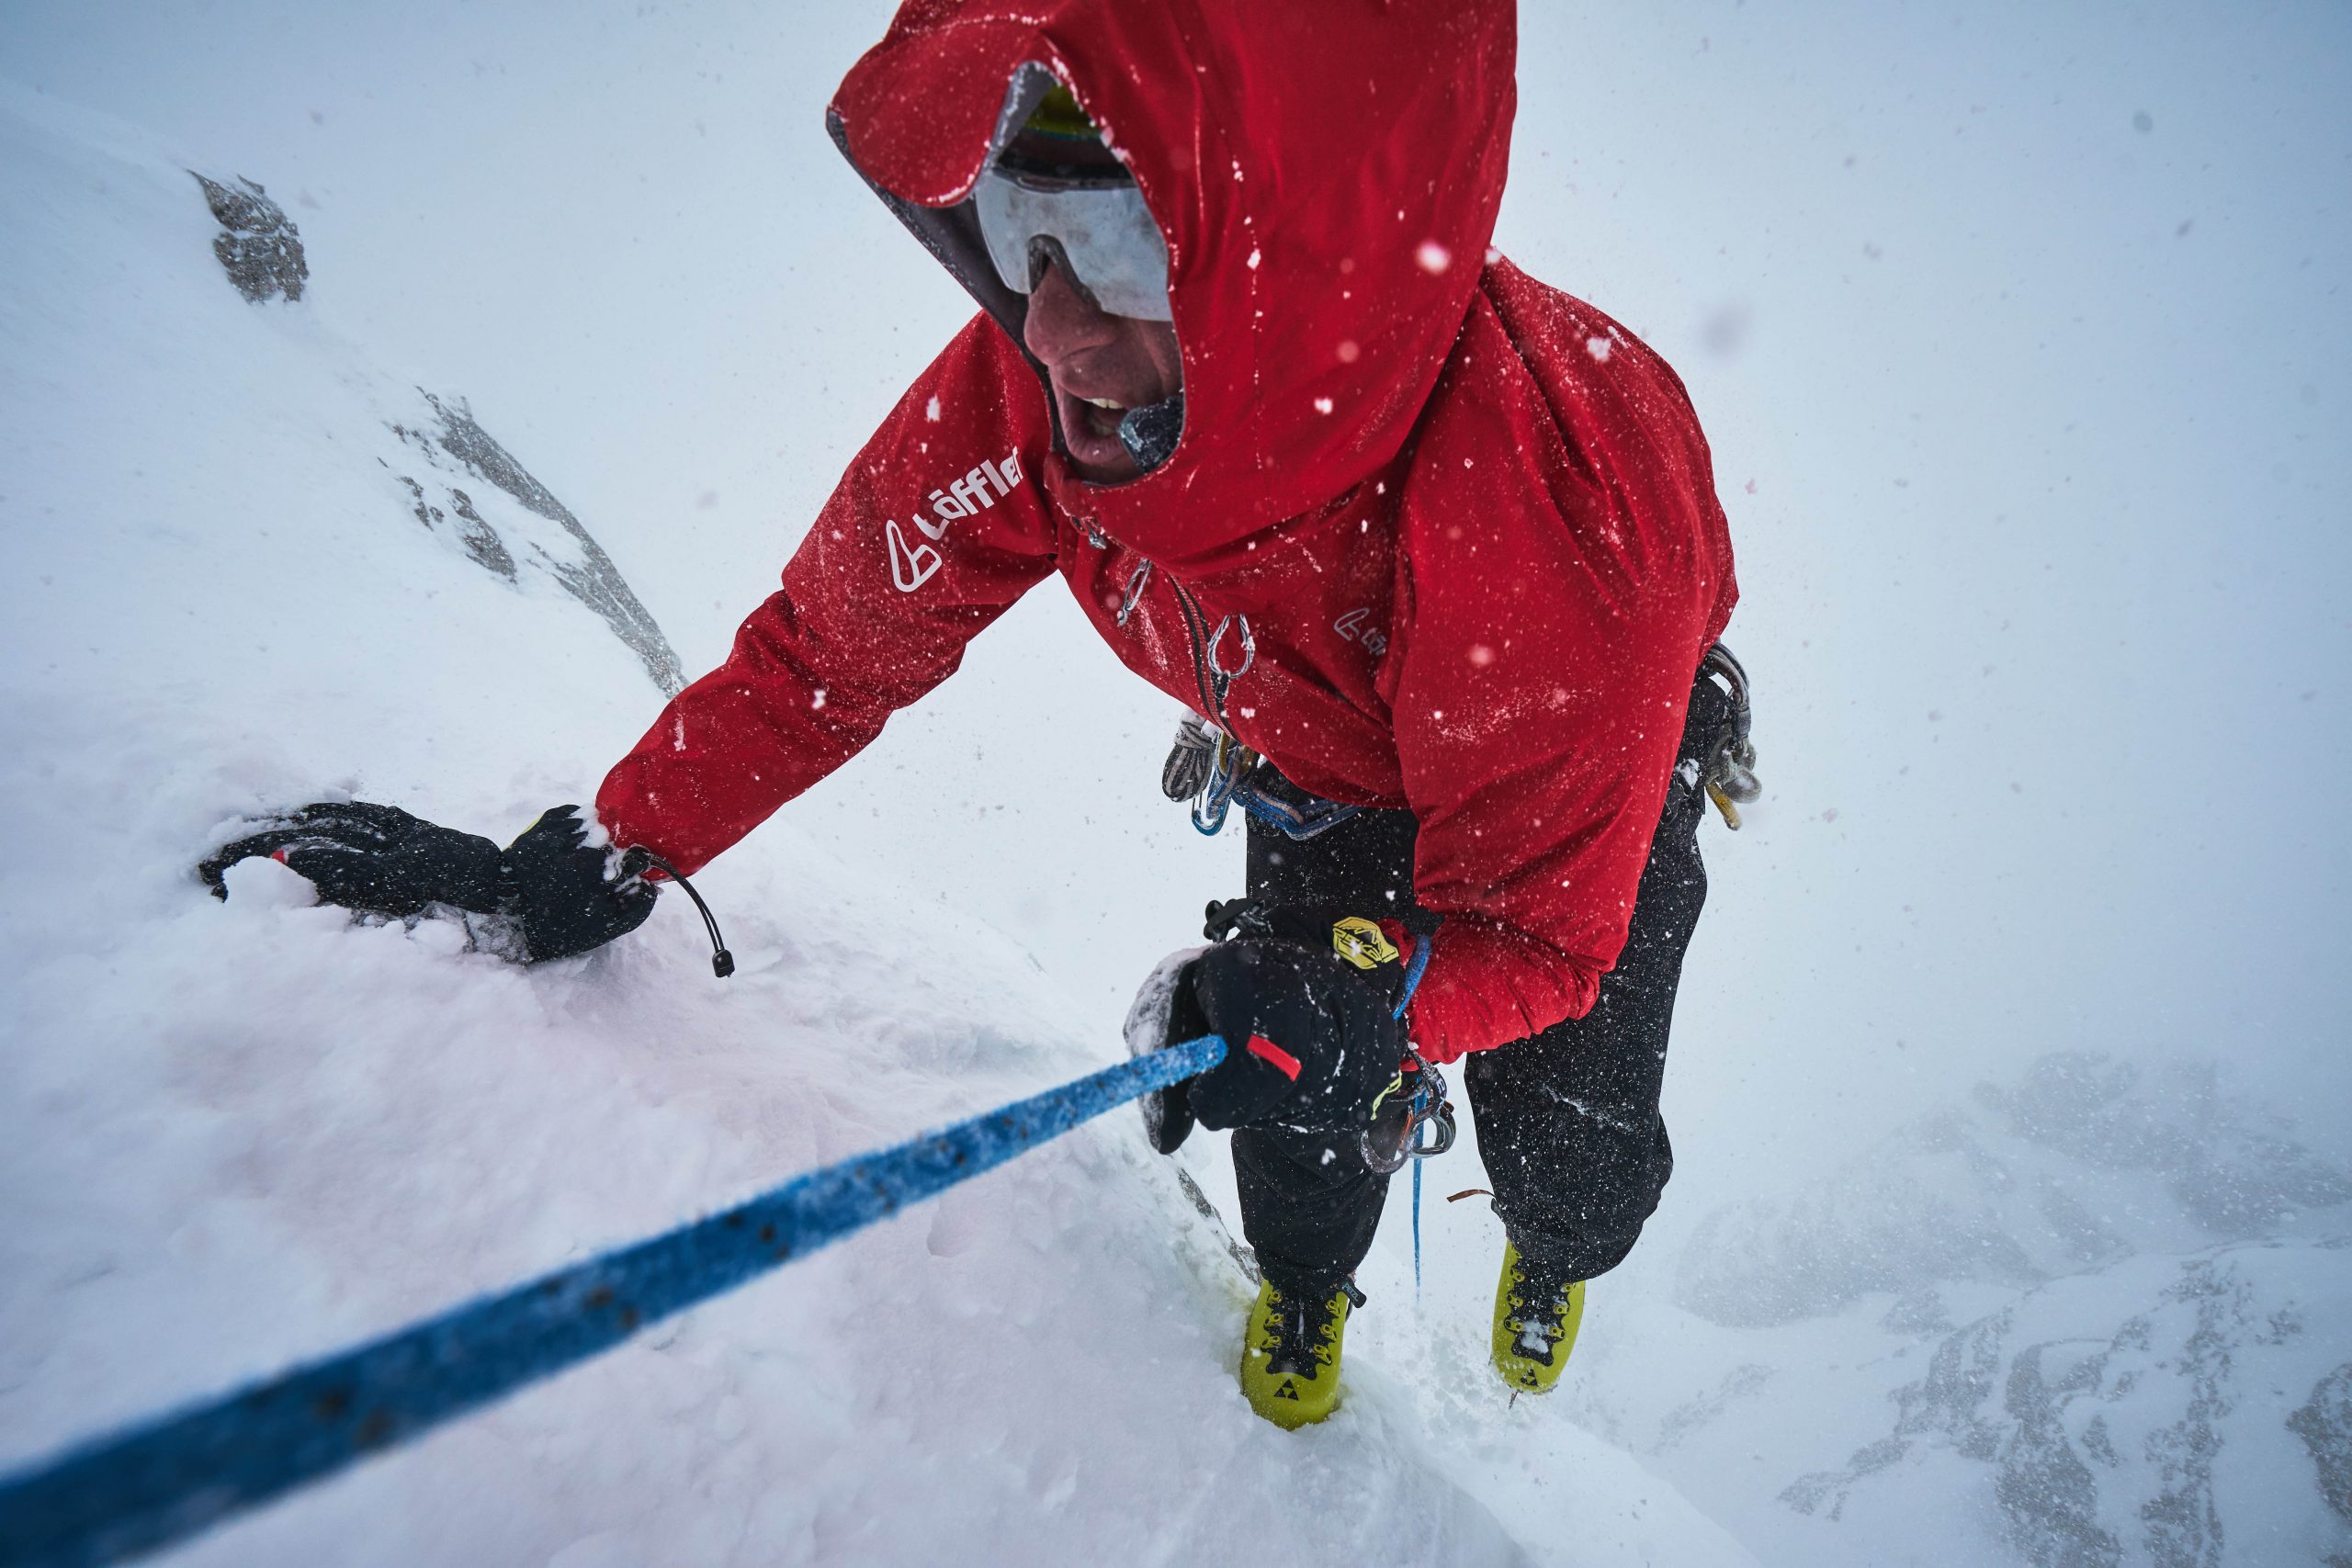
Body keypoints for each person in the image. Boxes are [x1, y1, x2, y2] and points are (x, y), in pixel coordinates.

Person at [201, 0, 1746, 1430]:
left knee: (1575, 1116)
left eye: (1120, 247)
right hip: (1322, 772)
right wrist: (597, 855)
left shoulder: (1559, 523)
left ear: (1278, 260)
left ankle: (1554, 1242)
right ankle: (1302, 1282)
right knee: (1283, 1074)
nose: (1058, 327)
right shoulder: (1034, 403)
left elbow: (1542, 935)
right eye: (1024, 237)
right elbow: (826, 651)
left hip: (1575, 790)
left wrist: (1408, 1005)